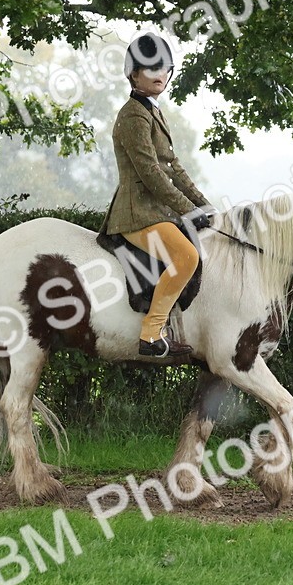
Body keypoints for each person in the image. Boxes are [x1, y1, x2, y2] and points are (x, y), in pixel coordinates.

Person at [99, 33, 216, 359]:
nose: (160, 76)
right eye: (151, 69)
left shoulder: (153, 111)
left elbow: (174, 167)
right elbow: (151, 174)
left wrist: (203, 204)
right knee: (186, 257)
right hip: (136, 214)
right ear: (134, 74)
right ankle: (151, 333)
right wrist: (186, 209)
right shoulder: (133, 115)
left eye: (165, 69)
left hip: (156, 212)